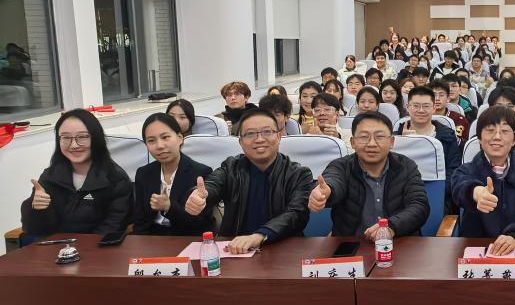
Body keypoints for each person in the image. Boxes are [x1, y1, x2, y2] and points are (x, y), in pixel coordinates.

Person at [185, 108, 313, 252]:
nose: (259, 139)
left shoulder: (299, 174)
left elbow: (296, 214)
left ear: (278, 137)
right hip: (235, 250)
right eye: (250, 134)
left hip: (283, 251)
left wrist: (260, 236)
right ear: (241, 142)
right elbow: (212, 185)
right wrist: (198, 197)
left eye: (267, 132)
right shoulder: (231, 168)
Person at [308, 111, 430, 238]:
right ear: (353, 142)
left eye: (379, 136)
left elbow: (419, 206)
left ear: (391, 142)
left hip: (399, 241)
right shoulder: (341, 166)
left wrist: (392, 226)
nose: (372, 143)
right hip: (353, 243)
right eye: (364, 137)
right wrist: (325, 192)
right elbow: (332, 179)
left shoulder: (406, 166)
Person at [21, 109, 133, 241]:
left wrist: (80, 248)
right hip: (55, 248)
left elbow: (113, 226)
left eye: (82, 137)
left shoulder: (116, 179)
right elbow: (35, 230)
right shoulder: (50, 176)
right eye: (66, 138)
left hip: (96, 249)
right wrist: (36, 209)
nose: (74, 145)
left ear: (96, 139)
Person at [450, 105, 515, 254]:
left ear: (514, 140)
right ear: (480, 139)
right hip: (476, 250)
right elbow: (460, 187)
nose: (497, 137)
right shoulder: (465, 170)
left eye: (505, 131)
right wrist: (476, 192)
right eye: (490, 130)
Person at [132, 112, 213, 235]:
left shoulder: (200, 173)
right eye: (151, 140)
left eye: (165, 137)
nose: (160, 146)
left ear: (180, 138)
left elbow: (201, 223)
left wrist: (169, 207)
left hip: (186, 238)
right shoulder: (143, 174)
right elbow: (140, 222)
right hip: (151, 239)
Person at [396, 86, 461, 203]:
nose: (421, 110)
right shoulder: (395, 137)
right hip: (400, 195)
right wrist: (404, 141)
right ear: (407, 107)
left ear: (434, 108)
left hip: (437, 194)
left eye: (426, 106)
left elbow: (454, 171)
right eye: (416, 106)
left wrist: (436, 190)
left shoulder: (447, 136)